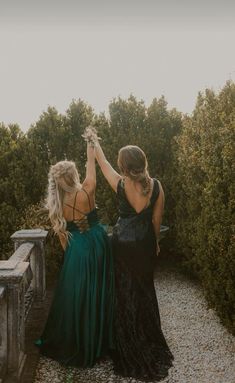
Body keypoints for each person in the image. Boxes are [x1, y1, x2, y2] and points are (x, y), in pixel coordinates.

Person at [92, 132, 174, 381]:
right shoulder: (157, 186)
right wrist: (155, 245)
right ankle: (149, 339)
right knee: (145, 291)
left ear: (124, 166)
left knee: (124, 294)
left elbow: (102, 163)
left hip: (122, 244)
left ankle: (128, 343)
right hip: (144, 244)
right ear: (143, 161)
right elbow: (156, 222)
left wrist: (94, 143)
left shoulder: (119, 182)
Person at [35, 139, 114, 368]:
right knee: (99, 290)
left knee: (77, 295)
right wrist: (92, 141)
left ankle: (77, 341)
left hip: (76, 250)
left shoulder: (56, 206)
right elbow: (92, 162)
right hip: (98, 243)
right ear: (74, 175)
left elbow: (63, 238)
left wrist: (73, 258)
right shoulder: (88, 189)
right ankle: (99, 342)